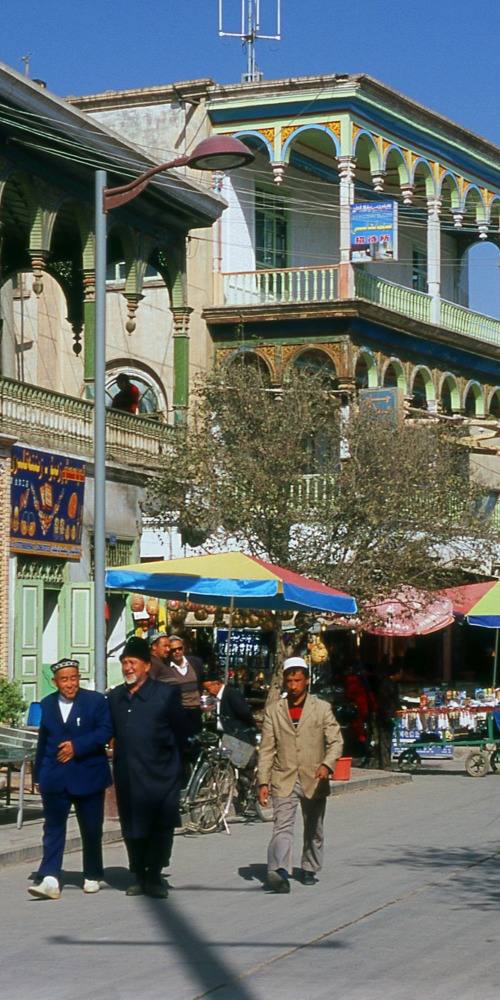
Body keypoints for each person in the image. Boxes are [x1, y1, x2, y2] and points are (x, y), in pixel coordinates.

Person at [106, 636, 189, 898]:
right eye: (125, 663)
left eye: (133, 662)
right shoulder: (115, 698)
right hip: (129, 774)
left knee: (160, 826)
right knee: (132, 826)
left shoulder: (165, 695)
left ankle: (154, 875)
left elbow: (182, 732)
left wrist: (177, 768)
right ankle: (137, 873)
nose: (128, 667)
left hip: (161, 775)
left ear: (146, 666)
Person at [28, 658, 113, 900]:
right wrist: (40, 776)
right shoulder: (47, 704)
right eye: (64, 679)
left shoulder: (95, 701)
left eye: (73, 678)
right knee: (53, 828)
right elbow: (44, 742)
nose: (70, 684)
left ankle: (93, 873)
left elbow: (105, 730)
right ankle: (50, 876)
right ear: (55, 682)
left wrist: (78, 746)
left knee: (91, 828)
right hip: (55, 778)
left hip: (88, 775)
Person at [258, 656, 343, 894]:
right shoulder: (274, 711)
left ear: (307, 680)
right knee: (281, 826)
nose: (293, 685)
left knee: (313, 826)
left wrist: (327, 765)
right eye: (289, 681)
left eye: (298, 680)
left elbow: (335, 741)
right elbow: (266, 748)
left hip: (315, 777)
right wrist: (263, 781)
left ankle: (309, 867)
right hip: (283, 776)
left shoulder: (322, 708)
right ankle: (279, 871)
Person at [157, 634, 204, 734]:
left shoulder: (195, 662)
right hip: (179, 711)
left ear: (183, 648)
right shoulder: (166, 668)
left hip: (196, 709)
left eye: (179, 648)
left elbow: (201, 681)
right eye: (174, 650)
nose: (177, 652)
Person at [202, 671, 256, 741]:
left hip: (236, 735)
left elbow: (245, 713)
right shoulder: (218, 697)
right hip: (225, 735)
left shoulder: (231, 694)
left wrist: (251, 728)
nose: (208, 693)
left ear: (217, 684)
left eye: (208, 689)